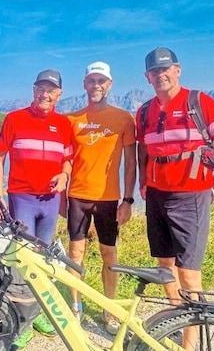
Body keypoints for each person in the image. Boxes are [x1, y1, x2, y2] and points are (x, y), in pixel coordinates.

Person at [137, 47, 214, 346]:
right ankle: (177, 324)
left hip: (191, 197)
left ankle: (190, 344)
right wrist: (143, 182)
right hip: (156, 197)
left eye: (166, 69)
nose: (161, 75)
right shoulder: (144, 111)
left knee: (189, 275)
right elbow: (143, 149)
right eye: (154, 72)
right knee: (165, 268)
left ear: (178, 70)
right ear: (147, 77)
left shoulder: (200, 102)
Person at [0, 69, 73, 346]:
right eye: (41, 88)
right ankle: (19, 322)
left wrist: (64, 176)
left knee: (44, 260)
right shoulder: (14, 119)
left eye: (51, 90)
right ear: (33, 89)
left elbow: (67, 160)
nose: (45, 94)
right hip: (22, 198)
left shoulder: (64, 124)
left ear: (59, 94)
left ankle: (37, 312)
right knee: (20, 262)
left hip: (50, 202)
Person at [66, 61, 136, 335]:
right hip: (77, 196)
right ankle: (75, 307)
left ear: (109, 84)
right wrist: (62, 195)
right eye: (91, 81)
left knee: (109, 254)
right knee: (75, 254)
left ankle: (109, 309)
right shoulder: (72, 119)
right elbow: (66, 161)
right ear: (85, 84)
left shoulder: (123, 118)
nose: (96, 85)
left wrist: (128, 200)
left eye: (101, 81)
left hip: (109, 199)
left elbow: (131, 163)